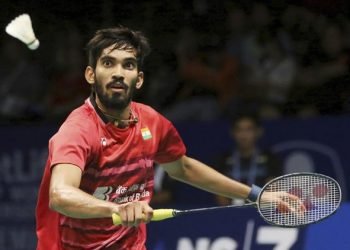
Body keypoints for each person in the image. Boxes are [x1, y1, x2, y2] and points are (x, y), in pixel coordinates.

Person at [36, 26, 294, 250]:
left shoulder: (151, 122)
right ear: (91, 75)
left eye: (128, 65)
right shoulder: (78, 129)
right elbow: (60, 194)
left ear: (138, 79)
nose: (118, 72)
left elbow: (183, 168)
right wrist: (117, 209)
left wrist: (256, 194)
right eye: (108, 63)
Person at [214, 113, 282, 205]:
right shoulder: (223, 160)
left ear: (258, 132)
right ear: (232, 132)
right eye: (239, 130)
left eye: (249, 129)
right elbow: (219, 192)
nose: (243, 135)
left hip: (260, 211)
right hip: (230, 212)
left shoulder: (271, 159)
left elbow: (272, 191)